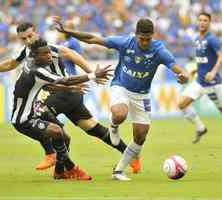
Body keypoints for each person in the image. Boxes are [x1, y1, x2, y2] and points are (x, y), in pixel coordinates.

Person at [0, 22, 140, 173]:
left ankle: (52, 155)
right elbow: (11, 64)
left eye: (30, 36)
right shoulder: (27, 51)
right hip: (67, 93)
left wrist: (91, 72)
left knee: (36, 113)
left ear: (36, 33)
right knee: (92, 127)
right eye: (23, 38)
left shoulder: (47, 49)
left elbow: (71, 53)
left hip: (63, 92)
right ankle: (130, 154)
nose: (27, 40)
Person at [54, 17, 190, 181]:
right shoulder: (126, 42)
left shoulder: (159, 50)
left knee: (140, 137)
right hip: (121, 86)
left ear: (153, 35)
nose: (145, 43)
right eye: (142, 39)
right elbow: (92, 39)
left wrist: (184, 77)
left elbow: (179, 70)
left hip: (142, 95)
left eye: (148, 39)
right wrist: (68, 31)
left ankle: (118, 171)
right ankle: (113, 127)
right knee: (119, 114)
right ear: (136, 35)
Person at [0, 38, 111, 180]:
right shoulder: (36, 71)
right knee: (57, 132)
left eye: (49, 52)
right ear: (34, 55)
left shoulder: (30, 65)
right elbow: (65, 79)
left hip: (35, 111)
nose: (49, 56)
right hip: (23, 120)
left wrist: (70, 88)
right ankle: (70, 168)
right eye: (45, 53)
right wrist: (93, 75)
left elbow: (47, 86)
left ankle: (59, 171)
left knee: (66, 137)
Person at [177, 12, 222, 146]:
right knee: (181, 104)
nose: (202, 22)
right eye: (200, 20)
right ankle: (200, 128)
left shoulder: (212, 39)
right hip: (199, 82)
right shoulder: (197, 39)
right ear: (197, 22)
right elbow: (202, 61)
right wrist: (193, 71)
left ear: (209, 23)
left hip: (213, 83)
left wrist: (213, 71)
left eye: (205, 20)